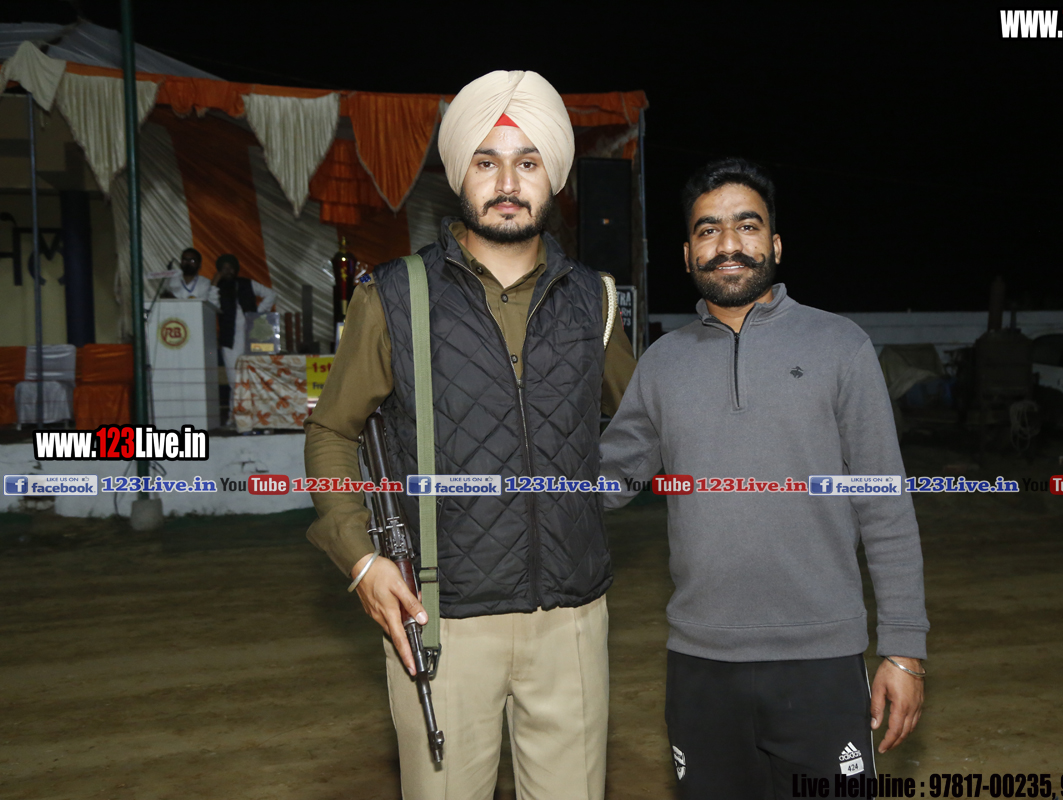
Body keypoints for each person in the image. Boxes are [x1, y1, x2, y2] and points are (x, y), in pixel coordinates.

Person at [303, 69, 636, 800]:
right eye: (487, 162)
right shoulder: (393, 295)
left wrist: (594, 497)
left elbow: (646, 423)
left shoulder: (595, 301)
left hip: (573, 621)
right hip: (441, 618)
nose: (507, 183)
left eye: (527, 162)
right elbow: (331, 432)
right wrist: (361, 560)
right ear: (460, 175)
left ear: (554, 177)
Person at [599, 158, 929, 799]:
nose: (728, 244)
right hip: (701, 663)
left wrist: (903, 649)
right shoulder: (663, 363)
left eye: (746, 226)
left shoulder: (841, 346)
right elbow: (605, 479)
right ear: (687, 254)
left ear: (775, 245)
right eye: (708, 230)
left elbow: (886, 508)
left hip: (822, 659)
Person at [209, 253, 275, 389]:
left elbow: (271, 294)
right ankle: (237, 403)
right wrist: (214, 283)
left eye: (230, 267)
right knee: (234, 378)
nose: (228, 271)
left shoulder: (247, 283)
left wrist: (257, 312)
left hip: (254, 336)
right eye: (224, 268)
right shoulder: (217, 288)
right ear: (220, 271)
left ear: (236, 269)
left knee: (256, 376)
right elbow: (212, 306)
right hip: (230, 339)